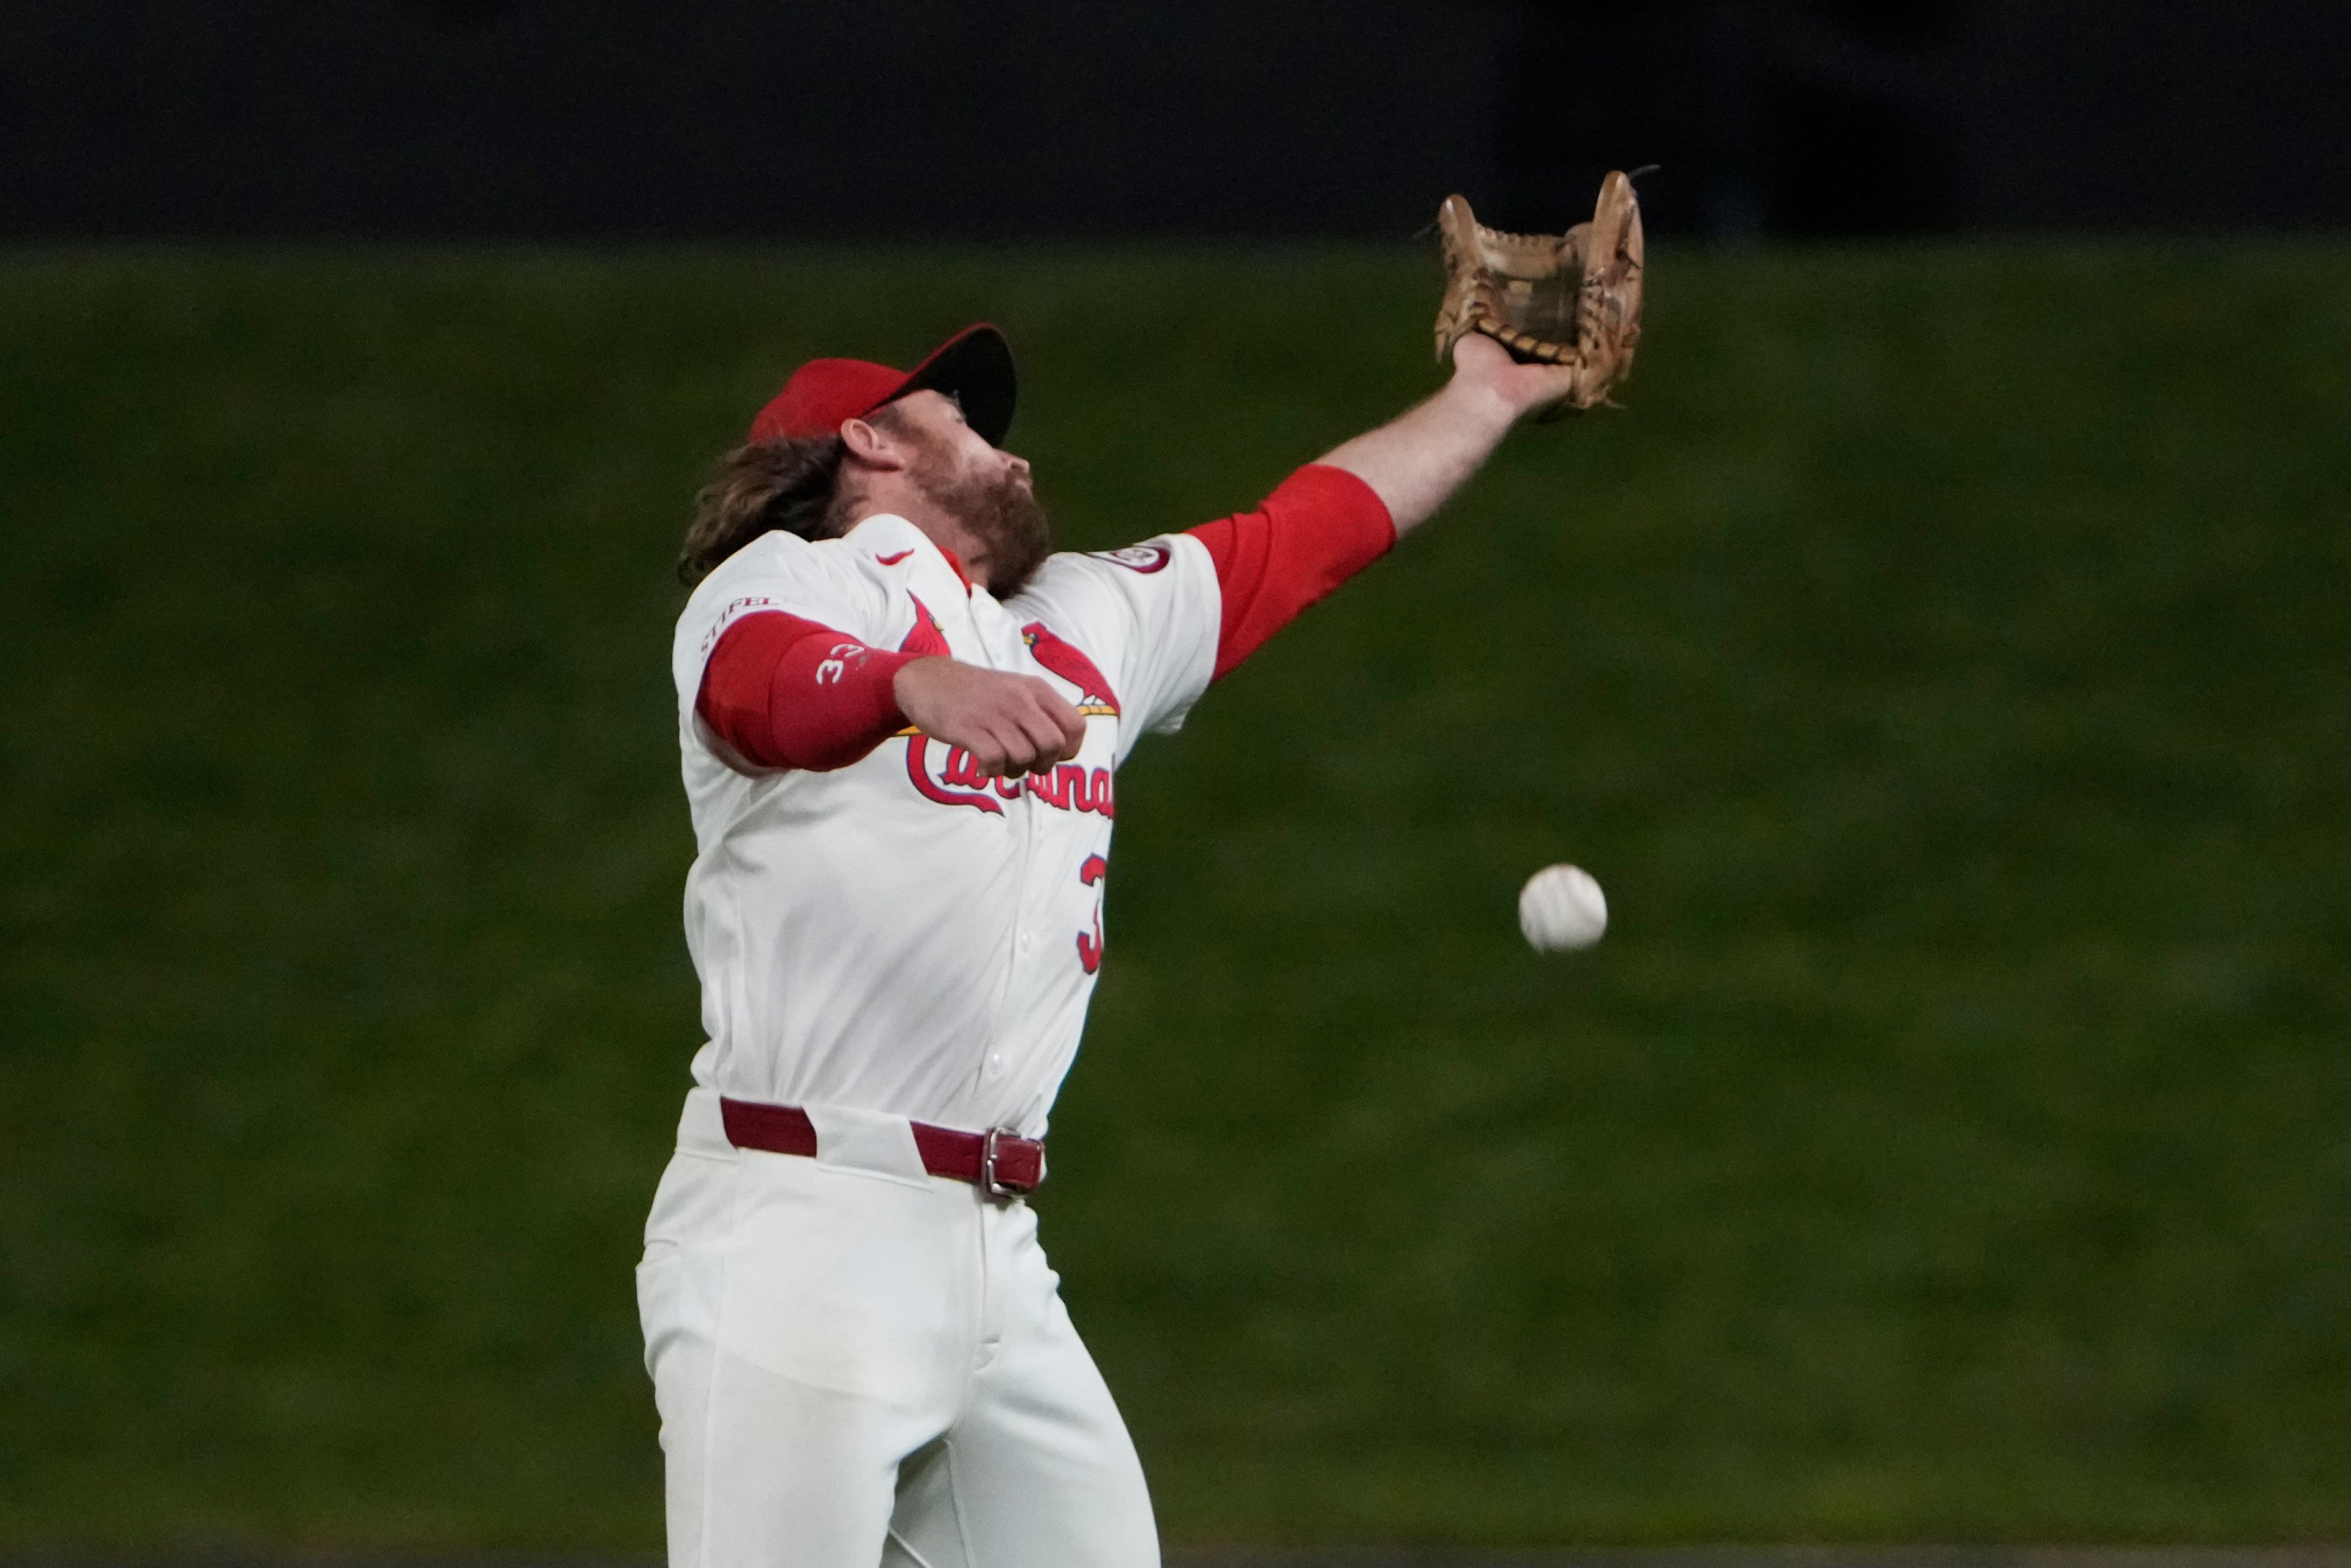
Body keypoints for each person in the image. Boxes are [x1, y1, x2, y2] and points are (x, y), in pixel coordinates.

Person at [637, 321, 1585, 1568]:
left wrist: (1484, 398)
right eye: (967, 427)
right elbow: (760, 691)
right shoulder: (788, 584)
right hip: (798, 1234)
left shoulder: (1083, 617)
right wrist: (913, 687)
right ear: (867, 441)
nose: (1012, 459)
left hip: (992, 1249)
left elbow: (1315, 528)